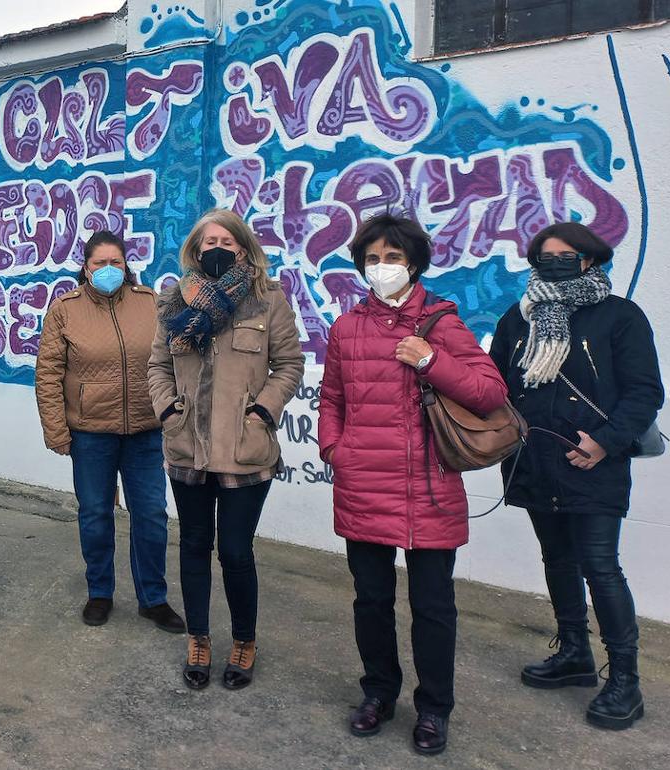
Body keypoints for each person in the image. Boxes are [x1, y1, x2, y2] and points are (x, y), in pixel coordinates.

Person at [318, 213, 508, 755]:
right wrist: (336, 449)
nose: (382, 268)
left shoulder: (442, 323)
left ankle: (433, 709)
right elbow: (332, 399)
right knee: (371, 600)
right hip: (363, 483)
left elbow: (490, 392)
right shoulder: (346, 328)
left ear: (415, 264)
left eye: (393, 258)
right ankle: (378, 692)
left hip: (430, 487)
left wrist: (430, 360)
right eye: (372, 259)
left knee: (432, 606)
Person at [489, 222, 663, 731]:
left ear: (590, 259)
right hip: (536, 459)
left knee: (601, 567)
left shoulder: (620, 316)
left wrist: (605, 442)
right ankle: (573, 653)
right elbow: (495, 380)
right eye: (546, 255)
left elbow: (643, 391)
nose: (556, 261)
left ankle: (625, 680)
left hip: (592, 465)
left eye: (567, 254)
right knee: (557, 559)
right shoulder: (518, 318)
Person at [148, 209, 305, 692]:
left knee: (236, 551)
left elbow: (289, 364)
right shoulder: (175, 303)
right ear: (196, 250)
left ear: (242, 248)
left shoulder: (267, 299)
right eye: (207, 241)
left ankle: (244, 641)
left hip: (245, 450)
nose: (217, 248)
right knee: (194, 546)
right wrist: (168, 412)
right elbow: (158, 365)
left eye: (227, 242)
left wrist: (262, 412)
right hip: (186, 448)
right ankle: (198, 637)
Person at [35, 230, 183, 633]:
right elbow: (48, 373)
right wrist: (56, 430)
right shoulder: (65, 309)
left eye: (115, 262)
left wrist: (173, 416)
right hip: (90, 434)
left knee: (151, 515)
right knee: (96, 514)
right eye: (99, 263)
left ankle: (153, 598)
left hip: (145, 432)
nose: (107, 269)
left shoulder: (150, 303)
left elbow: (174, 362)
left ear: (126, 265)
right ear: (85, 268)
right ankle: (100, 591)